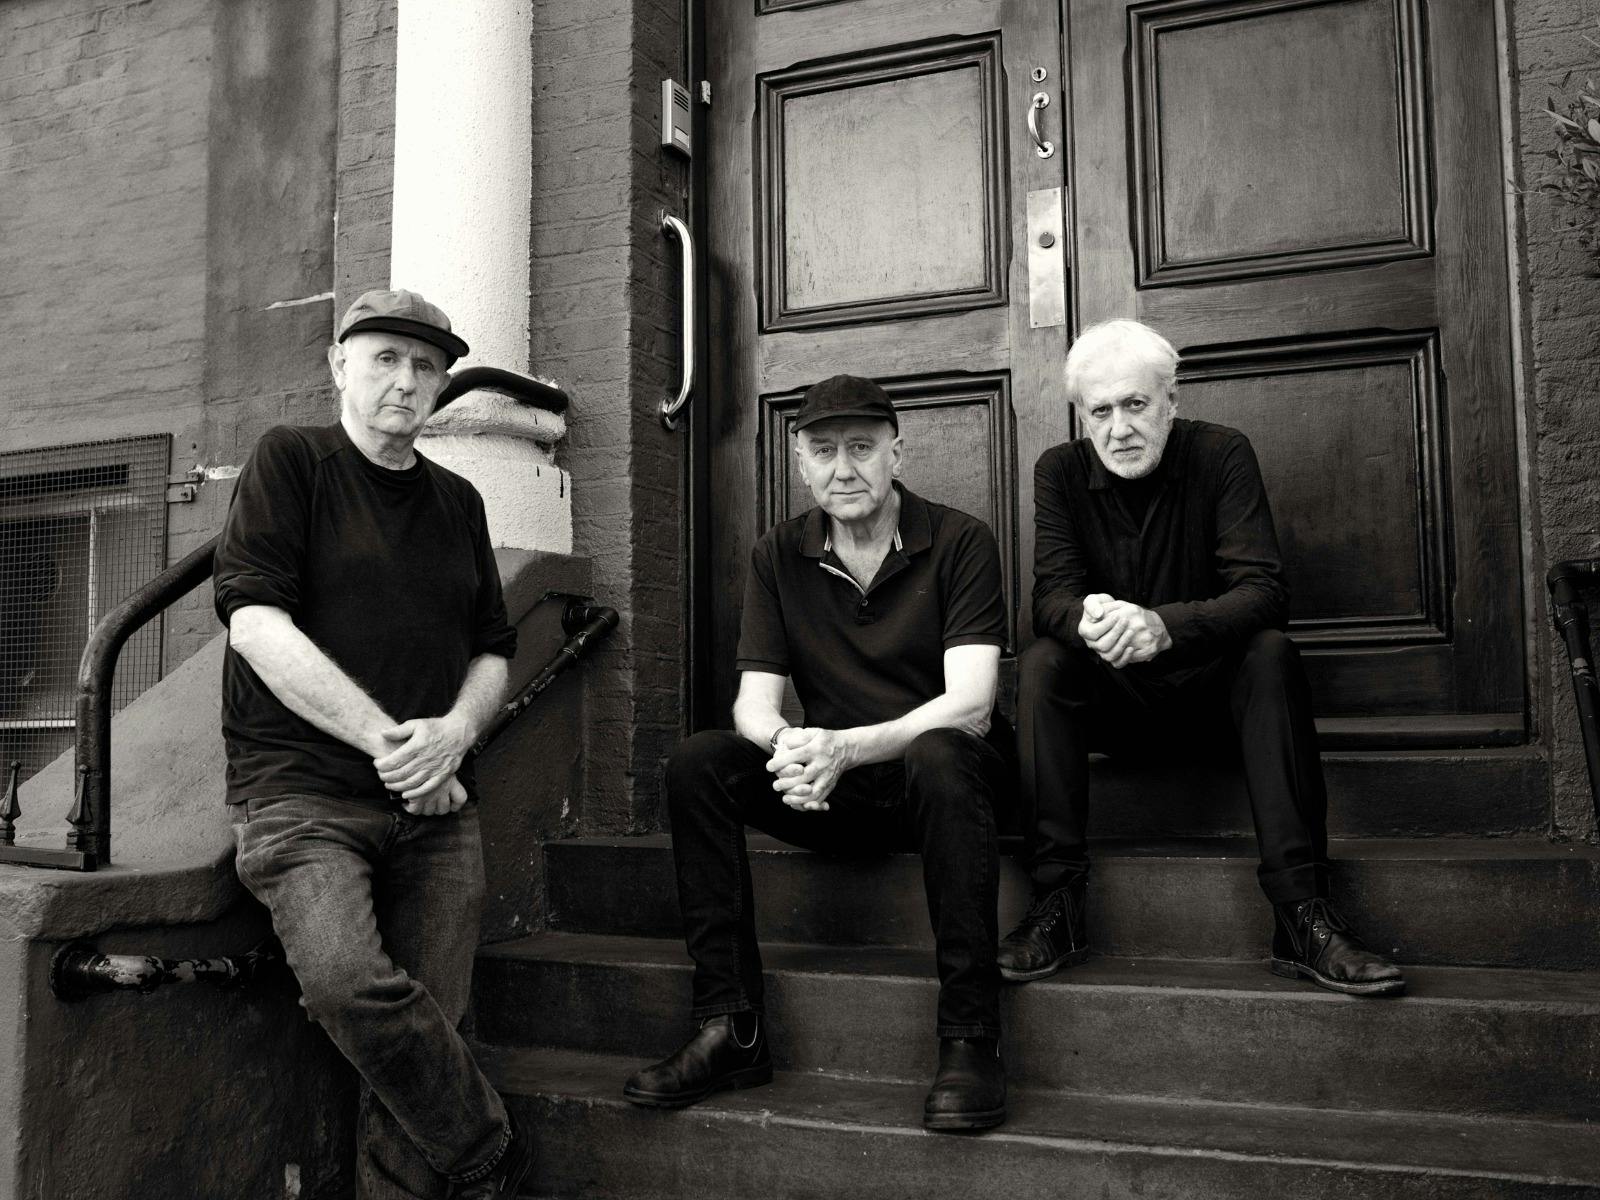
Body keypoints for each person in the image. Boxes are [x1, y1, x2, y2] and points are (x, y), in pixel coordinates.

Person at [623, 375, 1016, 1131]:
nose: (844, 469)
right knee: (699, 764)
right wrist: (792, 750)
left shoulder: (960, 539)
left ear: (897, 452)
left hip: (945, 789)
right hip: (841, 789)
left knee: (939, 750)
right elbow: (753, 706)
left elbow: (971, 705)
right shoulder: (778, 554)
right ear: (801, 463)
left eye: (862, 448)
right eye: (825, 451)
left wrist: (843, 748)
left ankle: (971, 1035)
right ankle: (731, 1027)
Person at [214, 289, 534, 1199]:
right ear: (338, 366)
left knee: (431, 1022)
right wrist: (399, 750)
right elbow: (255, 624)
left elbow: (494, 649)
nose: (405, 379)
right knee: (347, 986)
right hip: (303, 799)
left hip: (436, 811)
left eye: (425, 365)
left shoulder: (458, 501)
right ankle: (487, 1150)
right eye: (385, 358)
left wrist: (457, 733)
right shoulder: (292, 461)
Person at [1001, 319, 1405, 998]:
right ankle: (1056, 906)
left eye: (1136, 404)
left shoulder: (1222, 454)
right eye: (1101, 412)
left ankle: (1301, 914)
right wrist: (1088, 620)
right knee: (1044, 662)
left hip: (1215, 705)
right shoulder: (1060, 471)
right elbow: (1051, 599)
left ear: (1171, 399)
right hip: (1118, 707)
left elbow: (1264, 591)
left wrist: (1164, 627)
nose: (1119, 429)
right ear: (1083, 416)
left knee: (1271, 652)